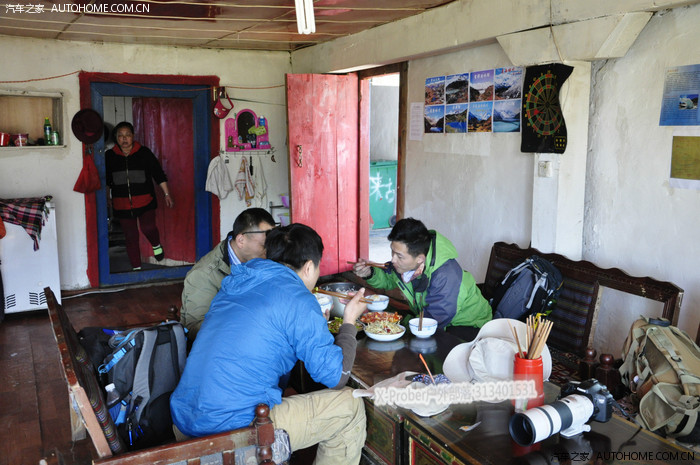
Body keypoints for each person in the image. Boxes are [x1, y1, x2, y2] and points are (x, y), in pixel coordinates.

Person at [170, 224, 368, 464]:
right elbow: (336, 377)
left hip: (185, 421)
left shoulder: (237, 280)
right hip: (232, 435)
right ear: (309, 267)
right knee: (350, 407)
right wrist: (349, 321)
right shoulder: (298, 298)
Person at [353, 217, 491, 342]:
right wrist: (369, 273)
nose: (393, 259)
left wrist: (398, 325)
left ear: (420, 259)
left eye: (399, 256)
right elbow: (388, 280)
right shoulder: (407, 263)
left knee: (423, 348)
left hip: (470, 327)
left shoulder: (445, 275)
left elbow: (432, 321)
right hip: (430, 318)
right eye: (392, 251)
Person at [179, 207, 275, 341]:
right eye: (264, 245)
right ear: (241, 240)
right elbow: (194, 331)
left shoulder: (261, 258)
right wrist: (242, 316)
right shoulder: (204, 275)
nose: (270, 250)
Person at [105, 121, 173, 271]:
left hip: (145, 200)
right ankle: (136, 268)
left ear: (133, 136)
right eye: (120, 135)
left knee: (148, 228)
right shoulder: (109, 156)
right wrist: (107, 197)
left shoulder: (144, 153)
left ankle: (156, 245)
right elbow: (107, 179)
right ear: (116, 137)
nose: (124, 138)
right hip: (121, 203)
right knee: (130, 236)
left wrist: (166, 194)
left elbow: (158, 174)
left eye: (127, 135)